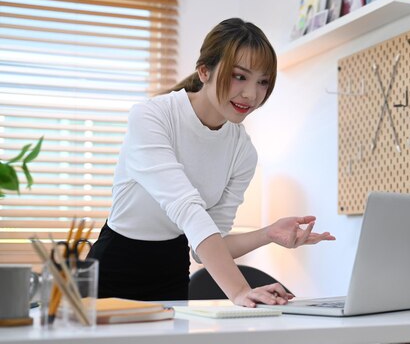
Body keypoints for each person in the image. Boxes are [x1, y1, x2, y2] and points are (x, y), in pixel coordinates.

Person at [88, 18, 335, 307]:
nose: (251, 94)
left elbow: (205, 246)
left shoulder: (243, 152)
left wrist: (268, 234)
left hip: (171, 270)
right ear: (204, 71)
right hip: (114, 267)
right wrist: (240, 290)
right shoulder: (152, 117)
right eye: (239, 76)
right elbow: (187, 208)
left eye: (263, 82)